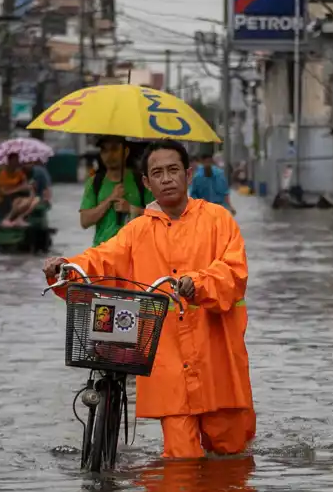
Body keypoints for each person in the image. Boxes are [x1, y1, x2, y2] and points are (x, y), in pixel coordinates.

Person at [43, 139, 254, 459]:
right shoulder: (137, 231)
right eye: (157, 173)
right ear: (146, 182)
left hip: (217, 361)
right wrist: (67, 269)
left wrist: (195, 284)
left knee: (231, 456)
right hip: (166, 364)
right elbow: (101, 260)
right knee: (180, 463)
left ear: (189, 174)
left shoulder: (218, 220)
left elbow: (233, 273)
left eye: (173, 170)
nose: (166, 178)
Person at [79, 136, 152, 245]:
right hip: (102, 253)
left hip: (134, 253)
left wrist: (131, 209)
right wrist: (110, 199)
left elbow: (158, 217)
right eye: (104, 150)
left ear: (126, 152)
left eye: (114, 149)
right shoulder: (94, 182)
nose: (109, 155)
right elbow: (85, 221)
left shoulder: (142, 181)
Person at [189, 149, 235, 215]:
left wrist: (230, 207)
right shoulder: (197, 177)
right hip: (204, 210)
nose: (207, 164)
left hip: (218, 209)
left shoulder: (219, 174)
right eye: (205, 162)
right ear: (202, 162)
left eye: (209, 162)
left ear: (212, 162)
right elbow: (193, 195)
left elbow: (225, 193)